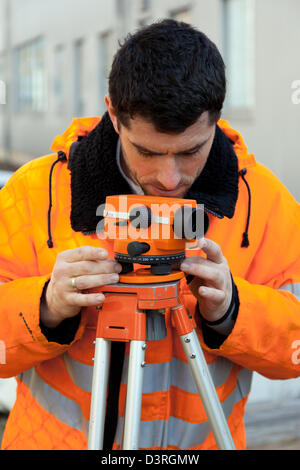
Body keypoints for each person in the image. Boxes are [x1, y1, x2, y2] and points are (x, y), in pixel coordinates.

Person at [0, 19, 300, 451]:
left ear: (216, 119)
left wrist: (235, 310)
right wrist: (45, 306)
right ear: (113, 114)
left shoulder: (262, 203)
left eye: (191, 151)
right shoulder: (37, 193)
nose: (168, 177)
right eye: (147, 152)